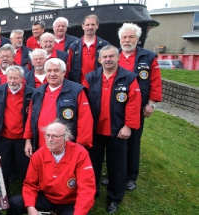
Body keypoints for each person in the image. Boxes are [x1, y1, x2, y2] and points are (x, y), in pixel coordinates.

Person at [82, 45, 141, 214]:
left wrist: (128, 126)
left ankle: (114, 198)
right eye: (104, 57)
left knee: (117, 167)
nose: (108, 59)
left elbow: (133, 105)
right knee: (92, 165)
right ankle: (92, 194)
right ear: (99, 59)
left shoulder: (129, 78)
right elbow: (83, 103)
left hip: (118, 131)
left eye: (111, 56)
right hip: (94, 131)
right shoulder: (90, 77)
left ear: (118, 58)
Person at [7, 121, 96, 215]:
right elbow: (30, 184)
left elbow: (86, 188)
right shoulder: (38, 155)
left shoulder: (80, 153)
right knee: (14, 203)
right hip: (47, 197)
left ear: (66, 138)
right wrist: (30, 207)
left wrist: (79, 212)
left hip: (70, 201)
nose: (50, 139)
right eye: (47, 135)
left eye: (55, 136)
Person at [117, 23, 163, 191]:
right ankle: (114, 173)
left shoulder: (148, 57)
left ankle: (131, 175)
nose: (127, 40)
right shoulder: (114, 55)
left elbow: (155, 82)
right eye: (124, 37)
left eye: (131, 37)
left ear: (137, 38)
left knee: (133, 142)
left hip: (137, 107)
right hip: (116, 106)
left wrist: (151, 104)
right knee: (115, 142)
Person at [24, 58, 93, 156]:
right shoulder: (38, 92)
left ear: (64, 72)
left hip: (67, 148)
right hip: (41, 146)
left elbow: (85, 120)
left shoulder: (76, 91)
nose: (52, 74)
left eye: (56, 70)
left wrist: (81, 145)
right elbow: (31, 118)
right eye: (49, 71)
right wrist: (28, 140)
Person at [0, 65, 34, 193]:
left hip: (22, 138)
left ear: (22, 78)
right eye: (10, 78)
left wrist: (28, 138)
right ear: (6, 78)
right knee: (2, 168)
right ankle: (3, 196)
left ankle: (27, 195)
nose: (12, 81)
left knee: (24, 169)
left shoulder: (31, 92)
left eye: (15, 78)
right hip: (4, 137)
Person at [68, 14, 110, 84]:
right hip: (79, 85)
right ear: (83, 26)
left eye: (93, 24)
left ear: (97, 26)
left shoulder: (105, 45)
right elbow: (69, 68)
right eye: (87, 25)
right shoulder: (74, 46)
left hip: (99, 84)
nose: (90, 27)